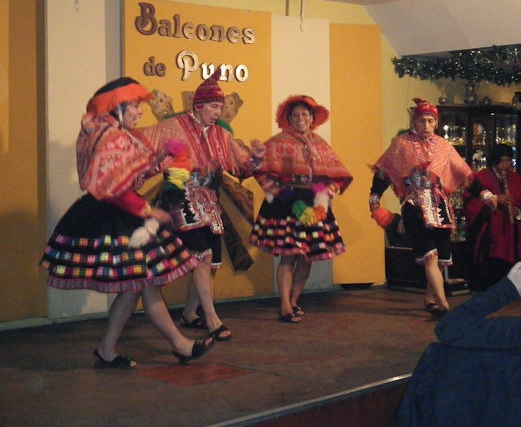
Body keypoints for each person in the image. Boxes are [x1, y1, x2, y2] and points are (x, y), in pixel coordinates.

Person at [40, 77, 214, 367]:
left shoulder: (111, 133)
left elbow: (126, 178)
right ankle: (176, 345)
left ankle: (115, 349)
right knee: (141, 284)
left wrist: (155, 161)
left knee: (138, 285)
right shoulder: (110, 137)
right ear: (118, 106)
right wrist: (148, 209)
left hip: (118, 214)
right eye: (135, 105)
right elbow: (114, 189)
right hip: (113, 217)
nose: (140, 111)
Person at [141, 71, 266, 341]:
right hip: (179, 200)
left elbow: (241, 168)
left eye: (220, 106)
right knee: (203, 257)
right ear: (199, 105)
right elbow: (148, 151)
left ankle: (189, 313)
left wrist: (255, 159)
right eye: (213, 105)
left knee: (210, 264)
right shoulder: (172, 127)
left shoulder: (222, 134)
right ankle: (212, 319)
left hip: (208, 202)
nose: (217, 111)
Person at [249, 95, 353, 323]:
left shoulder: (320, 144)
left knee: (307, 257)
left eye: (305, 114)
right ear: (288, 118)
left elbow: (339, 174)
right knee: (289, 256)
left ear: (312, 118)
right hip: (287, 202)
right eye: (295, 115)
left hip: (313, 201)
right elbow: (258, 167)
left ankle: (294, 300)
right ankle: (284, 305)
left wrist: (326, 193)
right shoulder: (278, 141)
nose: (300, 118)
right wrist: (274, 190)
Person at [369, 98, 472, 318]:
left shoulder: (444, 146)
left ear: (436, 123)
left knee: (441, 256)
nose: (426, 125)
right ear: (414, 123)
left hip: (441, 206)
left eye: (430, 121)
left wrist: (486, 193)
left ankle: (429, 298)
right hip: (415, 205)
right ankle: (443, 303)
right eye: (421, 121)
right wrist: (374, 199)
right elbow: (384, 172)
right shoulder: (402, 144)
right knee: (430, 256)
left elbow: (463, 171)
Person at [462, 144, 521, 291]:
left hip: (510, 234)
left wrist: (517, 211)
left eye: (508, 161)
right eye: (501, 161)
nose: (504, 166)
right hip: (489, 235)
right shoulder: (480, 177)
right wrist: (496, 199)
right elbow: (469, 203)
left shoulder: (516, 178)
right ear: (493, 161)